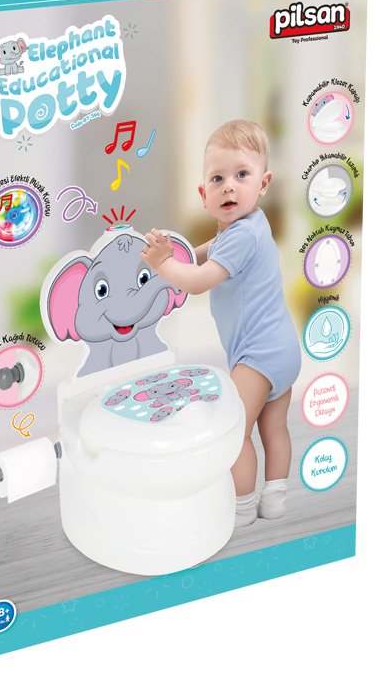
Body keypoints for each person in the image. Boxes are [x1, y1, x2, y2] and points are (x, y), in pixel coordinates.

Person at [140, 119, 300, 526]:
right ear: (204, 194)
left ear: (263, 183)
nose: (229, 186)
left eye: (241, 175)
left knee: (234, 431)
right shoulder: (249, 225)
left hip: (258, 357)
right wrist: (180, 253)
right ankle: (275, 498)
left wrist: (163, 265)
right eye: (218, 179)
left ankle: (242, 508)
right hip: (283, 349)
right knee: (274, 430)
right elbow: (207, 252)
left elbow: (198, 282)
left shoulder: (241, 237)